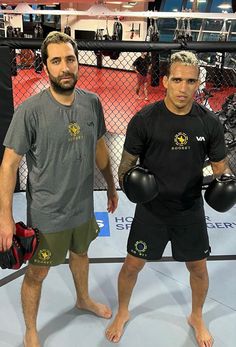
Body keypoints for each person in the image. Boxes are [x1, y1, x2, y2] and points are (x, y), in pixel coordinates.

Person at [106, 51, 232, 347]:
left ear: (197, 83)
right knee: (132, 265)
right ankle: (123, 311)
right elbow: (126, 168)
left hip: (189, 208)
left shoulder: (209, 123)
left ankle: (197, 316)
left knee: (198, 268)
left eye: (190, 81)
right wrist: (132, 183)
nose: (183, 87)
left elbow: (220, 169)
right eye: (177, 79)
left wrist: (223, 183)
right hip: (152, 210)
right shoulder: (144, 120)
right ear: (165, 81)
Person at [0, 31, 118, 347]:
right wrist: (5, 218)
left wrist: (110, 186)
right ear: (46, 66)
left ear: (77, 62)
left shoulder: (92, 103)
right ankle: (30, 330)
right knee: (37, 274)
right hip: (47, 214)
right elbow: (8, 165)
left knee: (81, 253)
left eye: (70, 59)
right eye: (56, 61)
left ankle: (83, 299)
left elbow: (100, 148)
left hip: (81, 206)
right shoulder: (30, 110)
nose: (65, 67)